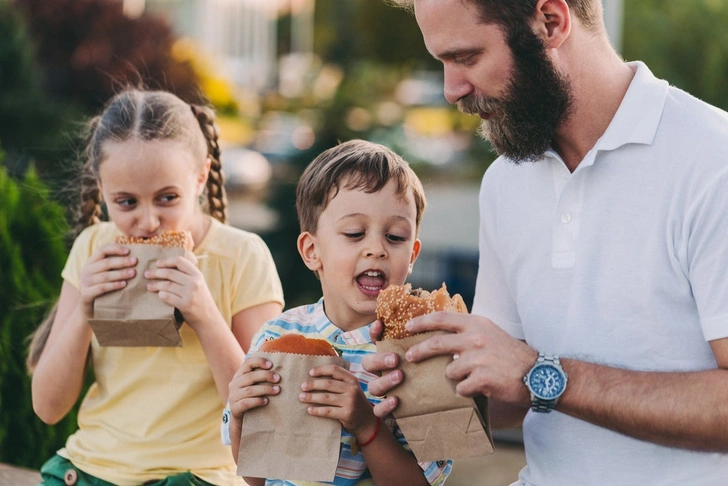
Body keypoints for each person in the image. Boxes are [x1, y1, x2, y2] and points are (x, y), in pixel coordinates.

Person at [363, 0, 728, 484]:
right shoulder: (504, 183)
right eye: (443, 63)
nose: (452, 90)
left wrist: (542, 374)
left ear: (550, 22)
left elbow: (529, 376)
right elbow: (508, 397)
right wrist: (404, 384)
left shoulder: (712, 161)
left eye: (467, 58)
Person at [28, 89, 285, 486]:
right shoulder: (93, 247)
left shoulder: (242, 256)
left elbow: (266, 414)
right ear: (101, 186)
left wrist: (205, 315)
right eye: (126, 203)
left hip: (199, 476)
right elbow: (47, 407)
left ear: (200, 177)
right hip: (88, 470)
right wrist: (84, 311)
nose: (148, 222)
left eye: (167, 198)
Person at [224, 139, 452, 486]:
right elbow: (258, 479)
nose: (375, 248)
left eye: (395, 236)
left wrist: (366, 424)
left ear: (413, 254)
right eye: (354, 233)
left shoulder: (422, 353)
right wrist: (241, 418)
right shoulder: (276, 337)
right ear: (312, 250)